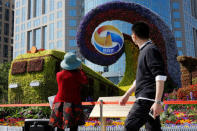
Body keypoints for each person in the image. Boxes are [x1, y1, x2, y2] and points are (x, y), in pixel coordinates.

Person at [119, 21, 167, 131]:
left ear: (134, 36)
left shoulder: (150, 50)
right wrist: (127, 95)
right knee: (153, 129)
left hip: (146, 99)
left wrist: (158, 102)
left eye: (131, 34)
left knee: (129, 126)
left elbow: (160, 77)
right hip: (148, 99)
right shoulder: (145, 51)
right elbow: (140, 79)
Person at [49, 52, 88, 131]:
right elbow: (85, 81)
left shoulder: (59, 75)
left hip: (59, 103)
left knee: (60, 126)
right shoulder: (78, 75)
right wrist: (81, 70)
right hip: (73, 103)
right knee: (74, 127)